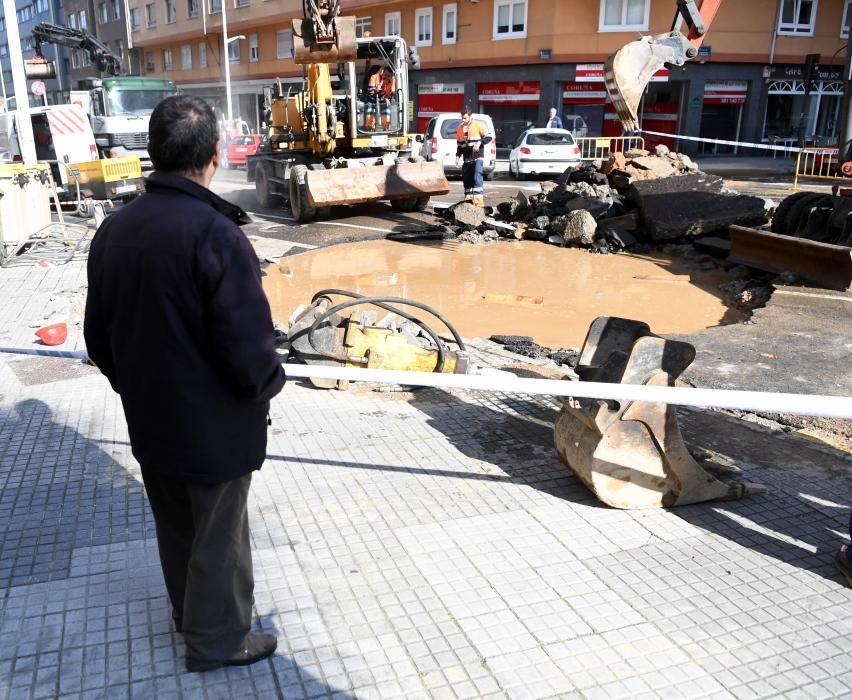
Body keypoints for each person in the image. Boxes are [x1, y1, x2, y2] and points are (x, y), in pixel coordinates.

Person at [84, 95, 286, 673]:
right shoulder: (216, 235)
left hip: (152, 420)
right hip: (214, 426)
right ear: (215, 156)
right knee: (220, 537)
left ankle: (188, 615)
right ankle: (217, 641)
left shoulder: (114, 230)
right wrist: (265, 387)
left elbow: (98, 334)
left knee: (176, 525)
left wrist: (137, 386)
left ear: (153, 153)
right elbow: (248, 349)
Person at [456, 105, 492, 207]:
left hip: (477, 156)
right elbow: (460, 145)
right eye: (462, 118)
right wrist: (457, 156)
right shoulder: (460, 129)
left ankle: (478, 202)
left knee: (477, 176)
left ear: (470, 116)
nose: (463, 120)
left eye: (465, 118)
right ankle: (468, 200)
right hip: (467, 158)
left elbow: (489, 136)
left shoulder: (478, 125)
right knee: (467, 179)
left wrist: (480, 142)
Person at [365, 65, 395, 130]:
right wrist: (382, 83)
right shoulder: (374, 77)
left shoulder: (392, 80)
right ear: (382, 72)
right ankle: (369, 127)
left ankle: (385, 127)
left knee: (389, 105)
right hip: (372, 100)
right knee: (369, 106)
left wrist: (388, 98)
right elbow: (371, 93)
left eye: (389, 76)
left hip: (383, 101)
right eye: (385, 74)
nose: (386, 77)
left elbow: (392, 93)